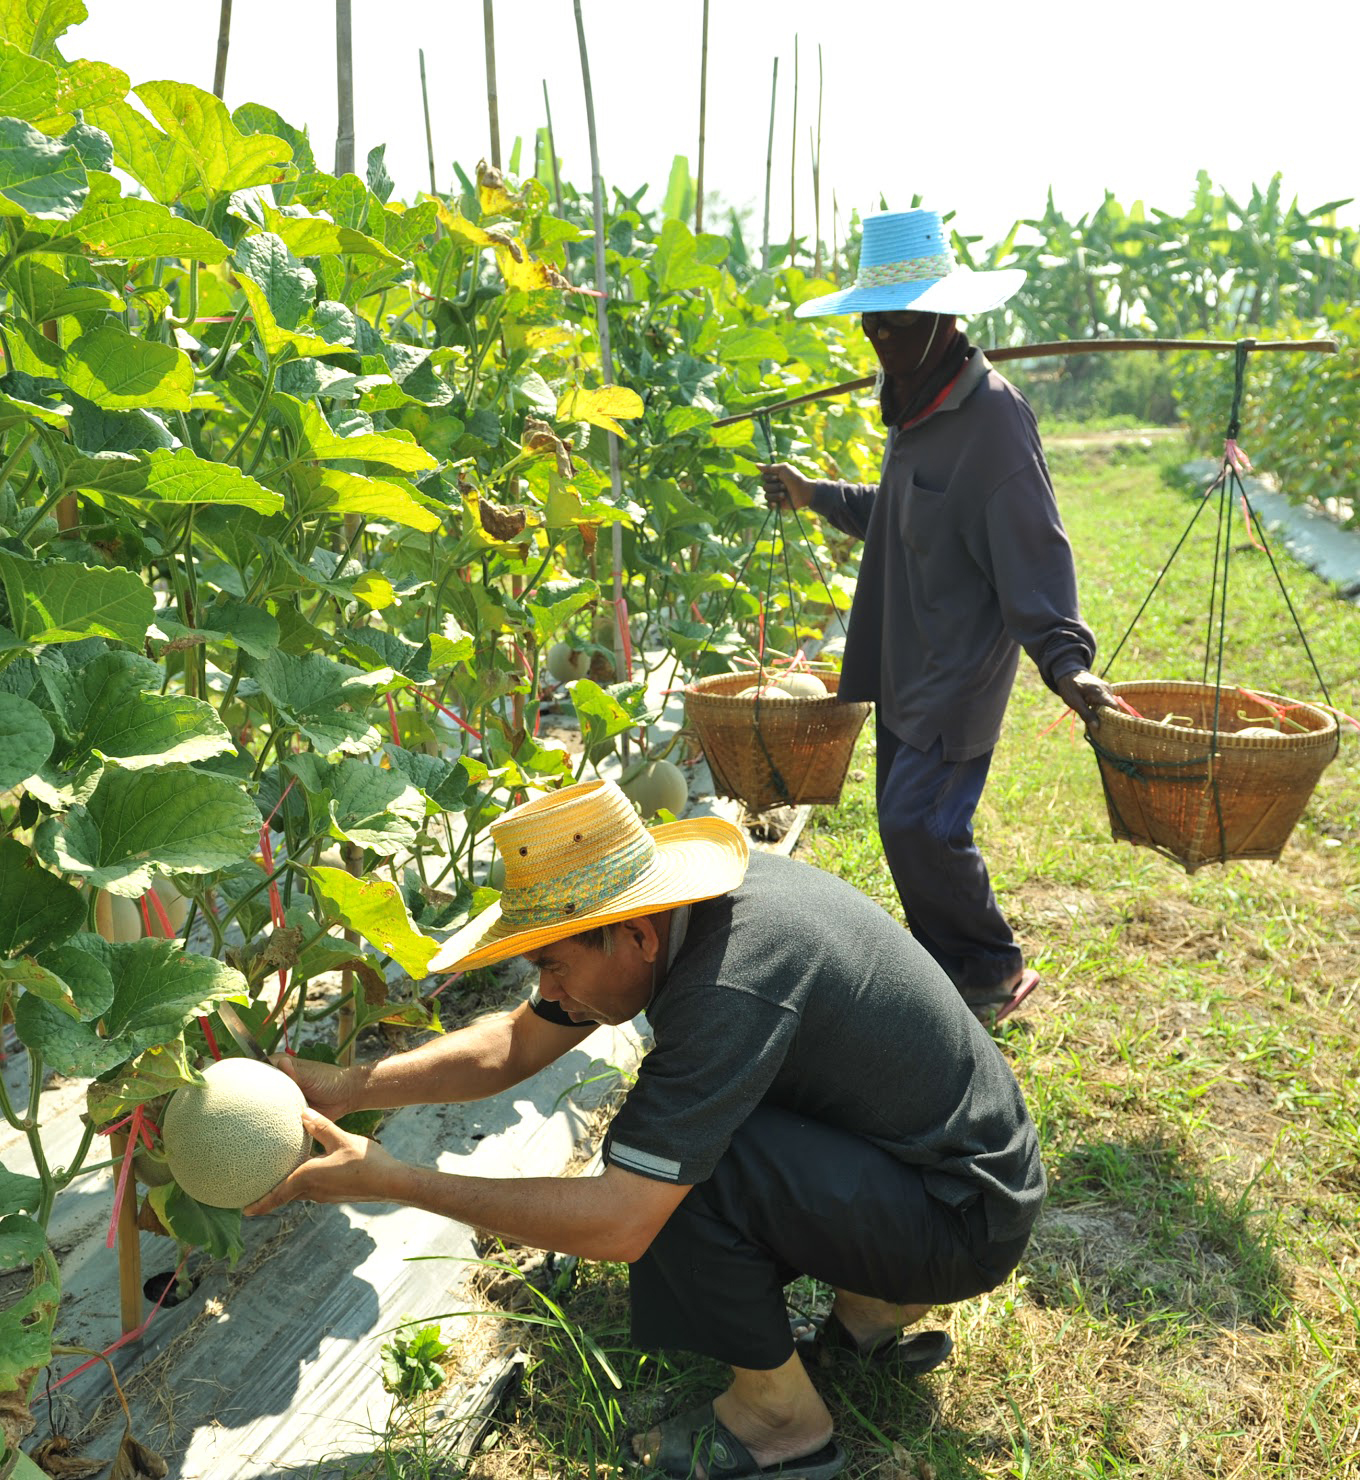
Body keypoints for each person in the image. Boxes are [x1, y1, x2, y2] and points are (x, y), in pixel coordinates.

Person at [247, 779, 1045, 1480]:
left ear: (633, 936)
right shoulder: (688, 918)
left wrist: (397, 1181)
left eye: (554, 966)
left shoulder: (733, 982)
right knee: (686, 1133)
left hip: (961, 1217)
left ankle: (783, 1424)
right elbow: (516, 1042)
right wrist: (349, 1089)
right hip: (950, 1177)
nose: (550, 990)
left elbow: (624, 1221)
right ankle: (867, 1313)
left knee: (679, 1167)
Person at [760, 207, 1121, 1027]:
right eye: (871, 328)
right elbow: (905, 512)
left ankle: (990, 968)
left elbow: (1034, 545)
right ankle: (949, 968)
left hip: (959, 665)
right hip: (904, 656)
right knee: (904, 827)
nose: (878, 343)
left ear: (943, 320)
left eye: (896, 327)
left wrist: (1067, 662)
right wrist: (817, 495)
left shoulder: (993, 419)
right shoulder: (914, 403)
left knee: (921, 824)